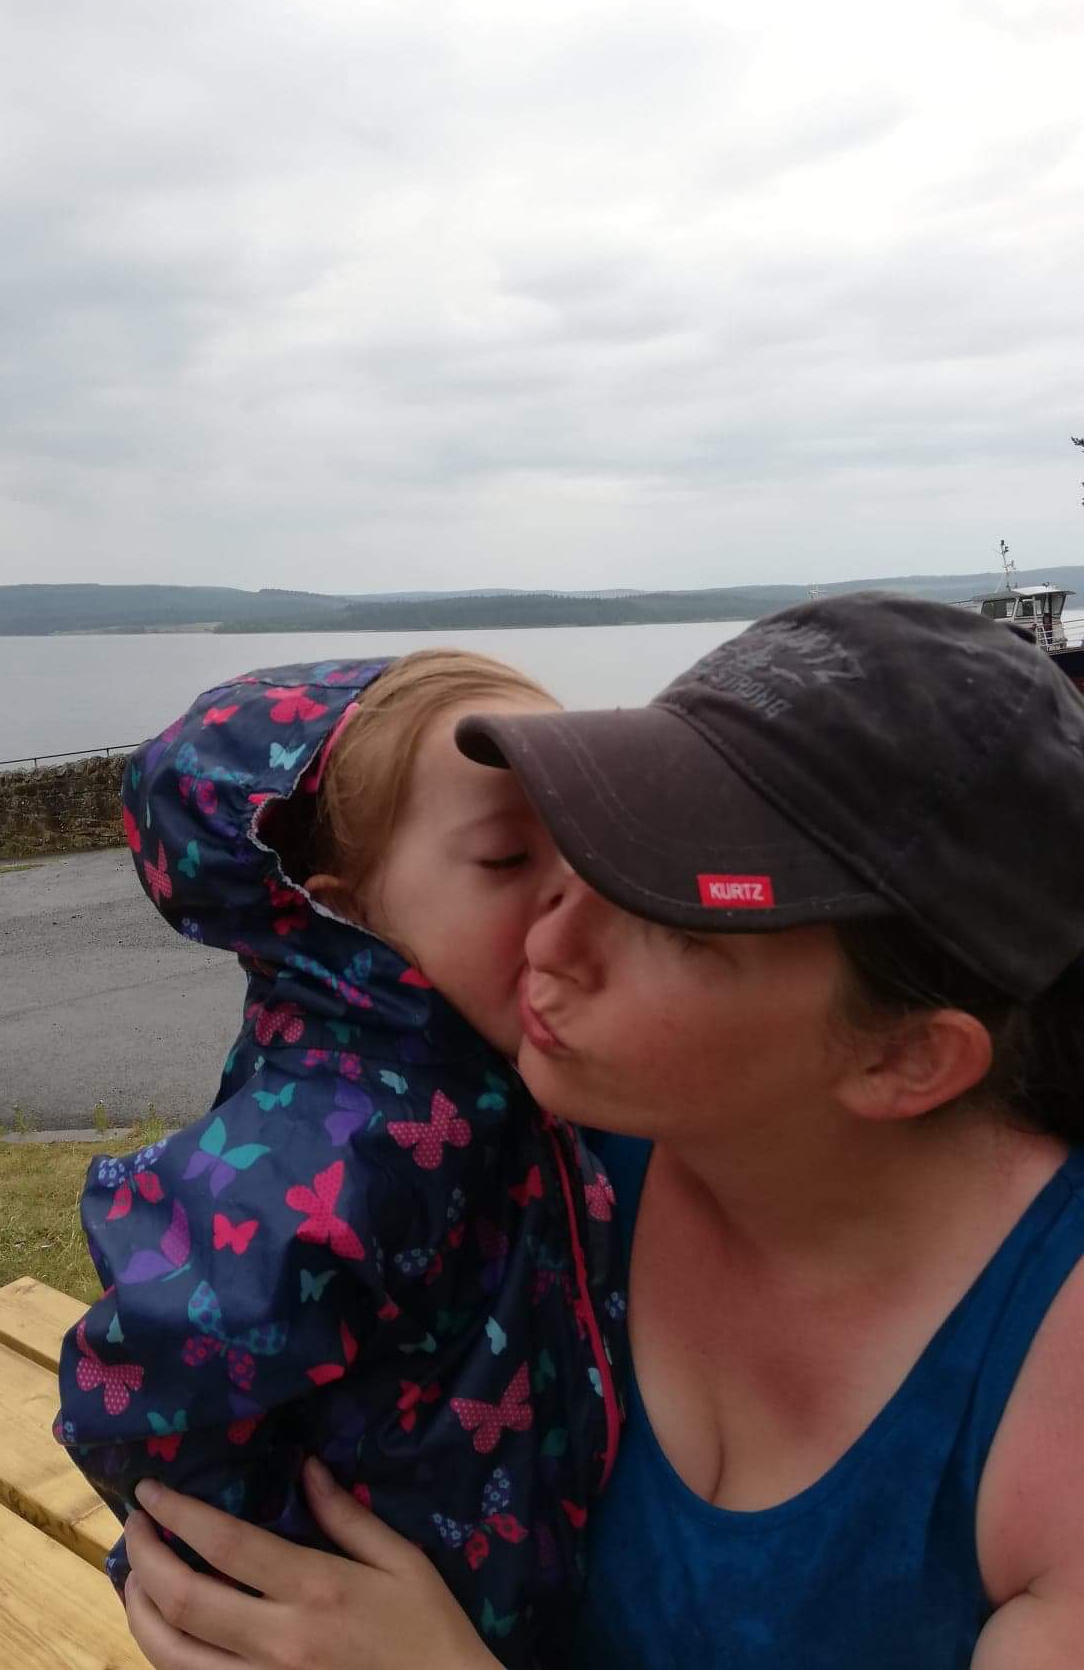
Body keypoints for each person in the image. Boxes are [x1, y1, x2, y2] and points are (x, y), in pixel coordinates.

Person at [113, 594, 1084, 1670]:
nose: (552, 937)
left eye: (677, 925)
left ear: (905, 1059)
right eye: (604, 840)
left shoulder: (1047, 1411)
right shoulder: (529, 1148)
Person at [54, 650, 626, 1670]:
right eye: (508, 862)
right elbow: (141, 1373)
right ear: (346, 908)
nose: (578, 898)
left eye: (584, 843)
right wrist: (253, 1588)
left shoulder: (494, 1064)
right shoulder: (342, 1134)